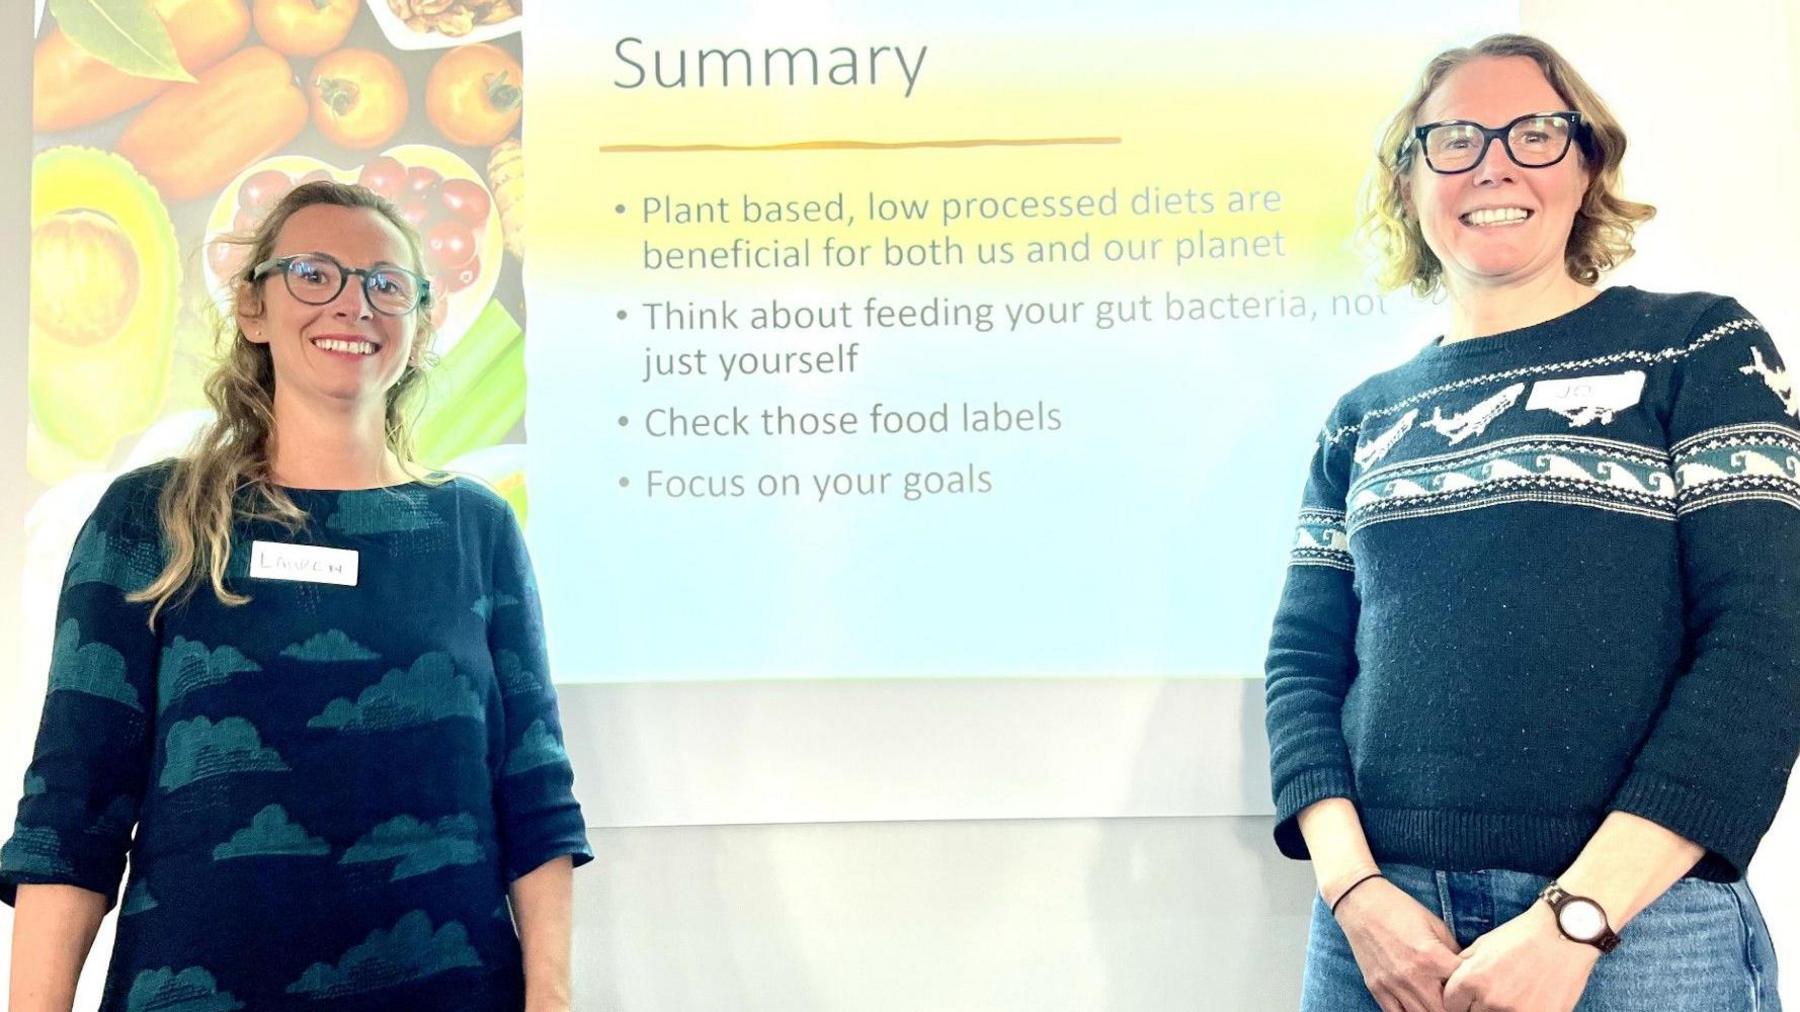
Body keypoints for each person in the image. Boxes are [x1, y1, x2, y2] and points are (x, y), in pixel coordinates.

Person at [1264, 33, 1795, 1012]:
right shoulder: (1361, 417)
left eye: (1536, 131)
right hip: (1380, 933)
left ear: (1587, 162)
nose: (1494, 161)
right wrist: (1354, 891)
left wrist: (1578, 919)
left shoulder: (1699, 348)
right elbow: (1302, 664)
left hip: (1641, 925)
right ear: (1407, 180)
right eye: (1454, 137)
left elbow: (1767, 643)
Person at [2, 181, 591, 1012]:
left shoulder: (477, 530)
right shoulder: (149, 516)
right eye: (314, 274)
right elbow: (73, 809)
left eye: (385, 284)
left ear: (419, 324)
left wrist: (553, 997)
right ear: (253, 307)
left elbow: (534, 797)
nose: (353, 304)